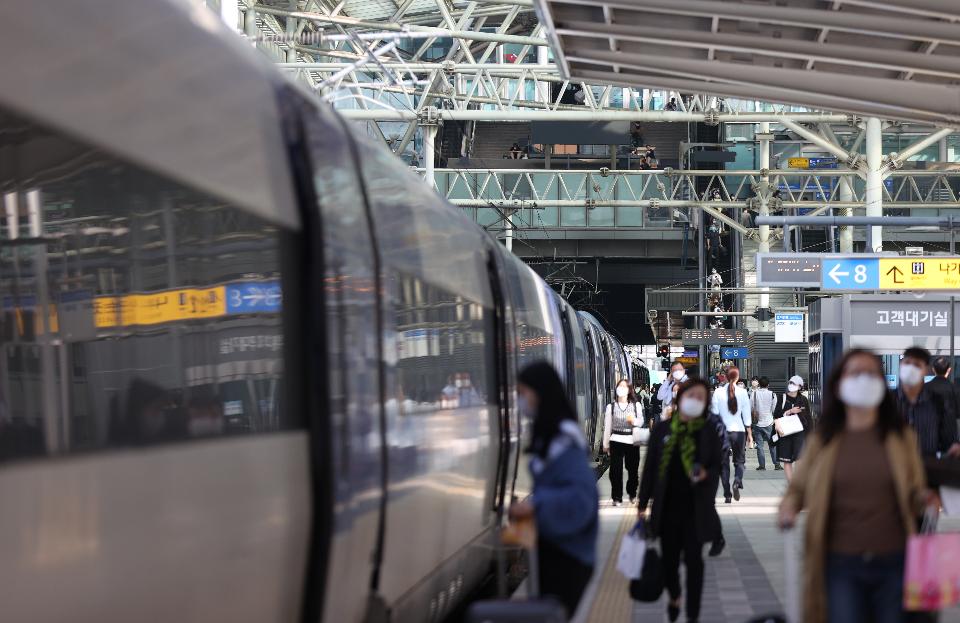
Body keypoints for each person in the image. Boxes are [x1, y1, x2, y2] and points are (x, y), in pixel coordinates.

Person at [778, 349, 931, 623]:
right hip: (840, 559)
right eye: (855, 373)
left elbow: (914, 489)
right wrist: (788, 507)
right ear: (839, 383)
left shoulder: (901, 438)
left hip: (894, 558)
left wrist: (925, 498)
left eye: (870, 373)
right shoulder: (824, 439)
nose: (863, 379)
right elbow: (797, 489)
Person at [509, 362, 598, 617]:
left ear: (540, 392)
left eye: (523, 393)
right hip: (555, 549)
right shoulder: (550, 435)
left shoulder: (564, 440)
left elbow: (581, 498)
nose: (520, 400)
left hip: (569, 554)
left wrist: (536, 505)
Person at [639, 379, 723, 623]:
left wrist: (708, 474)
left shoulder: (707, 431)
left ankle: (693, 615)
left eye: (700, 397)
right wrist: (642, 504)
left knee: (695, 563)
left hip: (696, 509)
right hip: (666, 509)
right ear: (680, 398)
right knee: (669, 562)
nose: (695, 401)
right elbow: (650, 469)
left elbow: (717, 464)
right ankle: (674, 595)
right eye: (691, 395)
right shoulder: (663, 430)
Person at [897, 347, 959, 459]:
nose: (911, 368)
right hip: (892, 468)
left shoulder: (937, 402)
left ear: (927, 369)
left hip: (927, 468)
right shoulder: (886, 401)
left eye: (917, 365)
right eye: (907, 363)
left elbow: (949, 440)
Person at [711, 366, 752, 503]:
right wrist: (749, 433)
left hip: (722, 432)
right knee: (739, 461)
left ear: (726, 377)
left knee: (723, 464)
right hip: (739, 431)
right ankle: (737, 481)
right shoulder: (743, 392)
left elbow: (715, 414)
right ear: (738, 377)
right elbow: (746, 416)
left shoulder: (717, 392)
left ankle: (727, 494)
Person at [604, 379, 642, 506]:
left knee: (632, 469)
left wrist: (634, 422)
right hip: (616, 440)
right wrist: (606, 444)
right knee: (615, 470)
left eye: (624, 387)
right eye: (619, 386)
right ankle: (617, 497)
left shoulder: (636, 405)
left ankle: (632, 492)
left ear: (629, 389)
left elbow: (641, 421)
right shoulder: (611, 407)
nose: (621, 389)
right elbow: (607, 426)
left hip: (632, 440)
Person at [773, 375, 811, 482]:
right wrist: (790, 411)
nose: (791, 385)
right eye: (790, 382)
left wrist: (810, 434)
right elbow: (776, 415)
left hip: (800, 432)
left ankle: (798, 482)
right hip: (785, 432)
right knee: (787, 460)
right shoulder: (782, 398)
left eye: (794, 383)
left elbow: (808, 417)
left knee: (800, 458)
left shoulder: (803, 399)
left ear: (800, 387)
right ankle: (791, 484)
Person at [751, 377, 781, 471]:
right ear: (768, 385)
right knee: (772, 444)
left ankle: (762, 466)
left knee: (759, 446)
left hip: (757, 423)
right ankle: (777, 464)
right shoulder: (772, 394)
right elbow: (774, 409)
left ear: (759, 384)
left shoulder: (754, 393)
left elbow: (751, 407)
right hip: (769, 423)